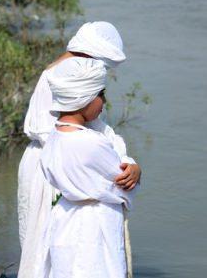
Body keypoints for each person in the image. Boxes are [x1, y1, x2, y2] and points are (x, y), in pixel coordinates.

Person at [17, 21, 142, 277]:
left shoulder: (72, 80)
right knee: (46, 252)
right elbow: (94, 147)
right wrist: (123, 164)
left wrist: (130, 163)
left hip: (72, 162)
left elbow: (101, 131)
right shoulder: (68, 78)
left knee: (56, 253)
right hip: (64, 170)